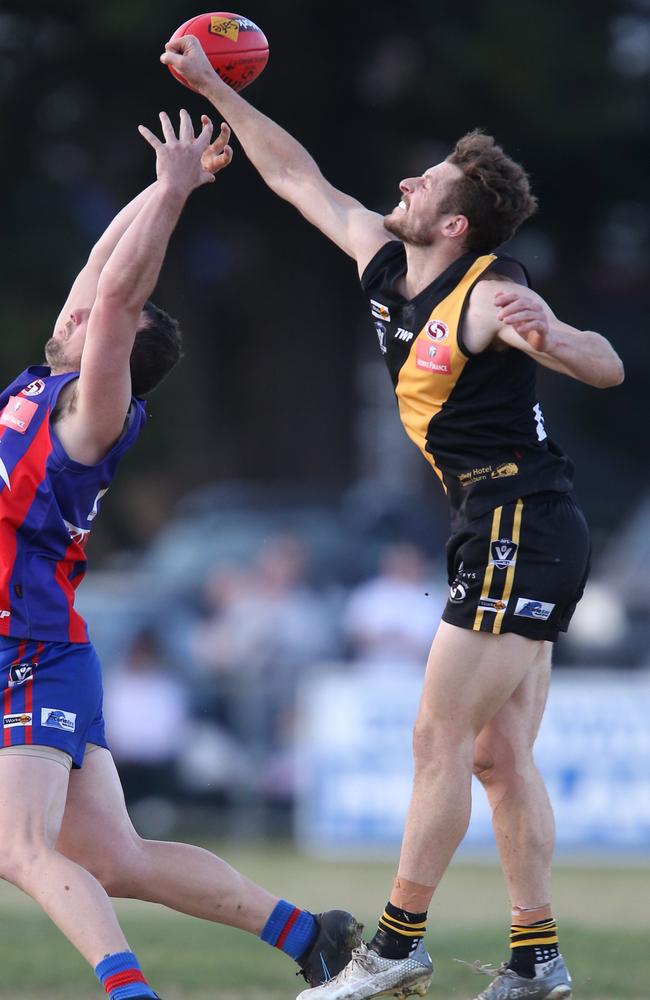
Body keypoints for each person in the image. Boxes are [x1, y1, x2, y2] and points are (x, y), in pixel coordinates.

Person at [160, 37, 625, 1000]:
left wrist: (563, 342)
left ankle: (396, 942)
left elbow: (605, 361)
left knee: (436, 739)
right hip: (516, 522)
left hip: (519, 521)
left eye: (427, 183)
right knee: (498, 756)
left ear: (453, 224)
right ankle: (538, 959)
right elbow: (298, 179)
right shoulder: (385, 269)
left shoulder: (492, 290)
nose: (404, 183)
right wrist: (214, 88)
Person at [0, 110, 361, 1000]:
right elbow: (102, 274)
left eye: (91, 320)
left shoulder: (92, 417)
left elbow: (117, 299)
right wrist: (173, 182)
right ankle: (311, 937)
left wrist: (169, 197)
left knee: (19, 848)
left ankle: (131, 994)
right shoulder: (47, 379)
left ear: (111, 357)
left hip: (31, 655)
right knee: (114, 857)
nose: (78, 309)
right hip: (36, 648)